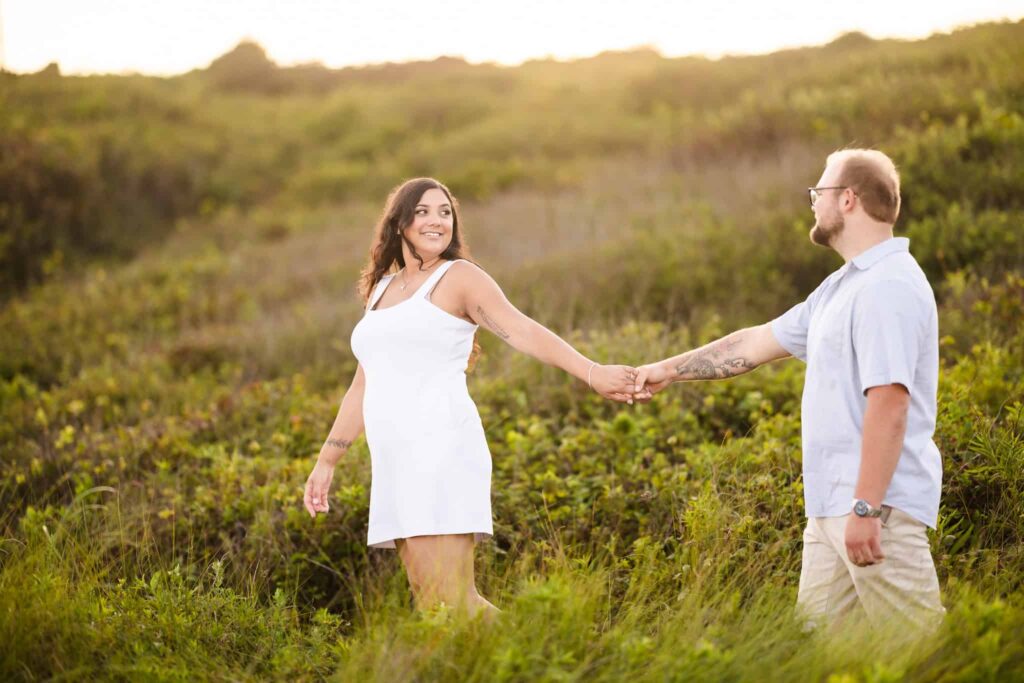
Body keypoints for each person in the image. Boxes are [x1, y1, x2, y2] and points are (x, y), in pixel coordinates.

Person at [633, 149, 946, 631]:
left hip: (876, 509)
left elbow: (890, 403)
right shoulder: (839, 288)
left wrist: (866, 507)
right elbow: (755, 343)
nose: (811, 203)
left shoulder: (889, 286)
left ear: (848, 199)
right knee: (822, 657)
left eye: (817, 192)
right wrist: (667, 370)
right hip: (828, 514)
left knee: (922, 651)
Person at [303, 177, 638, 617]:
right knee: (430, 603)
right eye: (423, 211)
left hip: (442, 448)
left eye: (445, 212)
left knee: (454, 601)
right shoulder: (381, 291)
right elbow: (364, 383)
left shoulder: (459, 277)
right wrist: (327, 461)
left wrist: (592, 372)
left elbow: (521, 330)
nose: (436, 220)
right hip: (396, 462)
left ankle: (551, 657)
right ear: (399, 222)